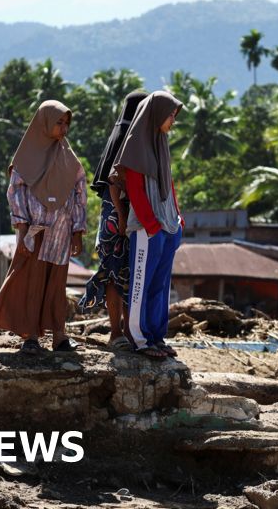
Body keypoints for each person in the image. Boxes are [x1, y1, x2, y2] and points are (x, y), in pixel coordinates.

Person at [0, 100, 87, 355]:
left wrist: (77, 231)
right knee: (31, 284)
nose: (64, 128)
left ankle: (59, 336)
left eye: (66, 123)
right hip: (36, 232)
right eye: (59, 122)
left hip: (61, 235)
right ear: (44, 123)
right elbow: (16, 194)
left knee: (57, 286)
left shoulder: (69, 158)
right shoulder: (26, 158)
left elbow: (79, 193)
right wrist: (22, 232)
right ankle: (30, 337)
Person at [108, 91, 184, 360]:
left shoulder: (161, 143)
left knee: (160, 286)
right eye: (170, 115)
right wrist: (151, 225)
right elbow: (136, 191)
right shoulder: (138, 145)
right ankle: (139, 339)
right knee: (141, 284)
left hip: (167, 226)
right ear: (156, 114)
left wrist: (177, 218)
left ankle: (156, 336)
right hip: (146, 227)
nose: (173, 120)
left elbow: (169, 183)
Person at [78, 90, 148, 349]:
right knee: (122, 276)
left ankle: (121, 333)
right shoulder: (130, 140)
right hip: (120, 218)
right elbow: (114, 182)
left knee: (116, 274)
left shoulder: (118, 136)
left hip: (114, 217)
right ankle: (121, 333)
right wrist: (121, 216)